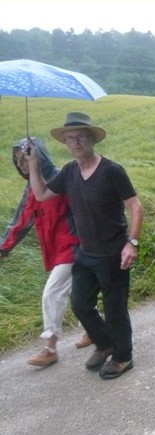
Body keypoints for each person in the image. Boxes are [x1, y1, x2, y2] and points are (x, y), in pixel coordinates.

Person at [24, 112, 143, 380]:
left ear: (92, 139)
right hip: (85, 254)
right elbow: (41, 195)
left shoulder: (112, 171)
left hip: (113, 254)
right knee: (80, 305)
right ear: (65, 143)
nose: (75, 143)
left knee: (114, 310)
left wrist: (132, 243)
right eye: (70, 138)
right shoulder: (69, 172)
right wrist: (33, 163)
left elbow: (135, 207)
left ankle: (123, 356)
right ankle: (105, 344)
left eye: (80, 137)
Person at [0, 137, 90, 367]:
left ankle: (50, 348)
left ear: (38, 155)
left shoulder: (61, 179)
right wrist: (2, 249)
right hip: (57, 250)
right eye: (18, 160)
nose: (22, 164)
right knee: (76, 293)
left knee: (52, 294)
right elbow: (20, 222)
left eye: (25, 157)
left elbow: (84, 209)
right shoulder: (32, 188)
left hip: (73, 247)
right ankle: (93, 329)